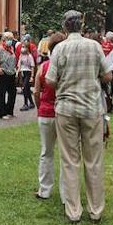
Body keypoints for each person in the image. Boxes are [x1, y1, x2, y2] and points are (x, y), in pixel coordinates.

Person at [45, 10, 112, 224]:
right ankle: (96, 210)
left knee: (69, 160)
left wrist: (67, 82)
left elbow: (50, 80)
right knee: (94, 160)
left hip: (66, 108)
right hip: (92, 108)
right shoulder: (94, 46)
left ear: (65, 27)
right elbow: (108, 74)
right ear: (81, 25)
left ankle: (73, 211)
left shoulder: (60, 49)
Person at [33, 32, 65, 200]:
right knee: (66, 155)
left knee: (46, 152)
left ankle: (44, 190)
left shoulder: (44, 67)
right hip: (64, 113)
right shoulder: (66, 66)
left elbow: (36, 91)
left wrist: (40, 107)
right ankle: (66, 193)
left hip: (45, 112)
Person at [0, 37, 18, 119]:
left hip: (12, 73)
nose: (10, 41)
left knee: (13, 92)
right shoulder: (0, 49)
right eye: (8, 39)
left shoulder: (11, 48)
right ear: (3, 40)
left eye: (11, 39)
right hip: (3, 73)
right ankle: (3, 113)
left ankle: (9, 111)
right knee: (2, 93)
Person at [16, 34, 39, 111]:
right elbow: (19, 63)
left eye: (24, 47)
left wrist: (32, 76)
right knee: (26, 88)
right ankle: (31, 103)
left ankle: (25, 103)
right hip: (23, 72)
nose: (22, 48)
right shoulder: (21, 55)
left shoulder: (29, 56)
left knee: (25, 87)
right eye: (22, 47)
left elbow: (32, 66)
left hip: (28, 72)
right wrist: (17, 72)